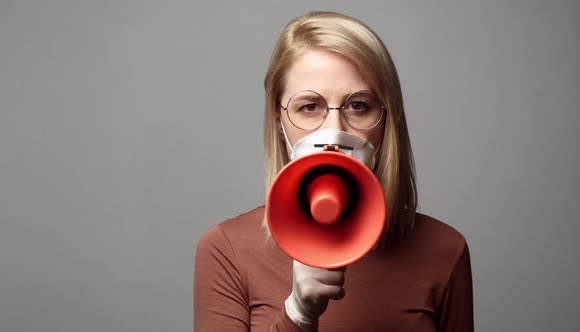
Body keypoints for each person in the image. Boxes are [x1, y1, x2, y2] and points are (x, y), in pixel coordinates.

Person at [194, 11, 473, 332]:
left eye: (358, 105)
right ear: (278, 120)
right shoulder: (227, 249)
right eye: (310, 107)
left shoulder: (443, 250)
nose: (335, 130)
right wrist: (298, 314)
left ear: (387, 120)